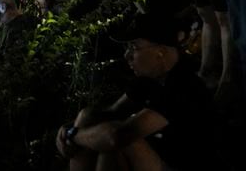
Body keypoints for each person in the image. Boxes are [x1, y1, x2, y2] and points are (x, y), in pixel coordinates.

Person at [55, 13, 215, 170]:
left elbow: (117, 136)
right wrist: (73, 128)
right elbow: (111, 112)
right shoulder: (150, 77)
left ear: (161, 52)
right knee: (89, 117)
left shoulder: (183, 86)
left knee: (121, 143)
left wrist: (74, 135)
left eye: (134, 47)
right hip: (159, 156)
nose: (127, 55)